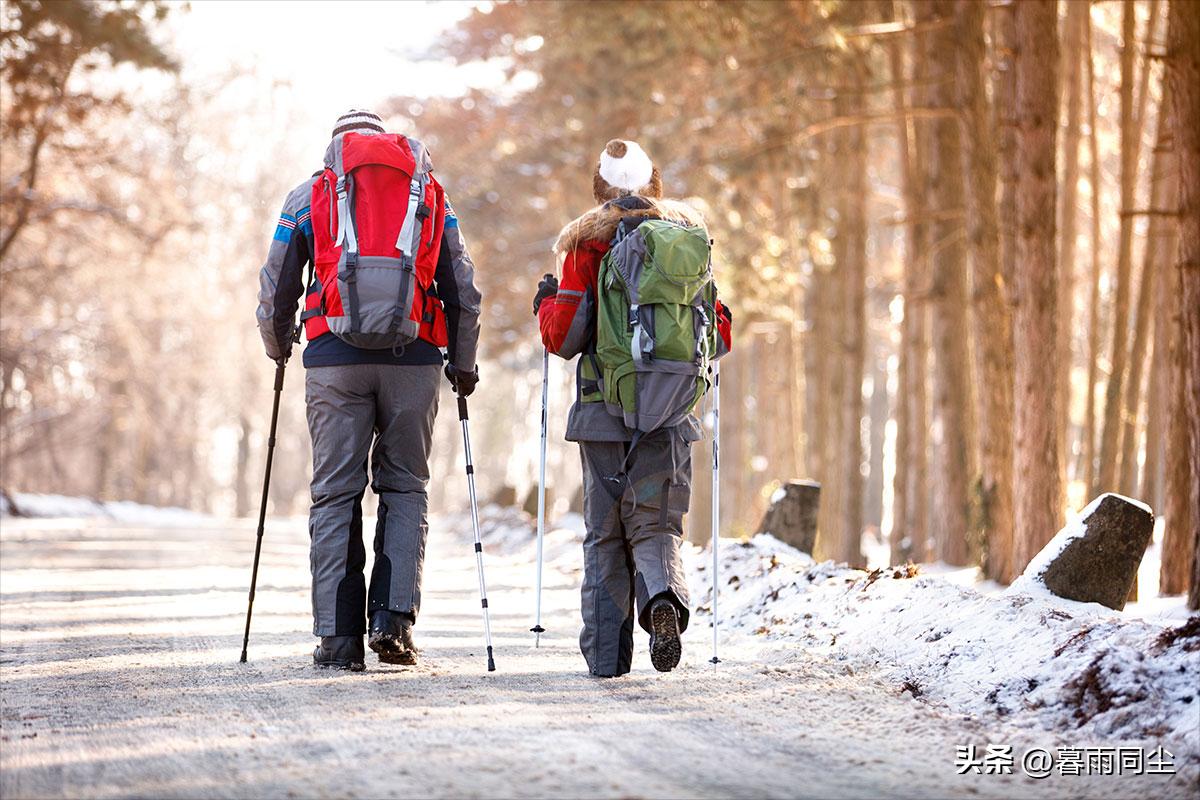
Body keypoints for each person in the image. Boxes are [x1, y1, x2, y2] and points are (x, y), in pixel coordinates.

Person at [256, 109, 482, 671]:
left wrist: (278, 344)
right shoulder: (429, 194)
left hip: (334, 362)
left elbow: (277, 285)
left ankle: (338, 639)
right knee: (405, 488)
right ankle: (393, 623)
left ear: (335, 148)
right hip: (415, 359)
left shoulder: (308, 196)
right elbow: (462, 286)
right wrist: (463, 365)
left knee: (336, 493)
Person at [534, 139, 732, 676]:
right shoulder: (685, 242)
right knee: (656, 524)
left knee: (605, 533)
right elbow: (718, 336)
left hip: (603, 414)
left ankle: (606, 657)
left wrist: (547, 303)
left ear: (600, 188)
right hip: (670, 413)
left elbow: (565, 338)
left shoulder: (585, 246)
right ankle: (663, 600)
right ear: (655, 184)